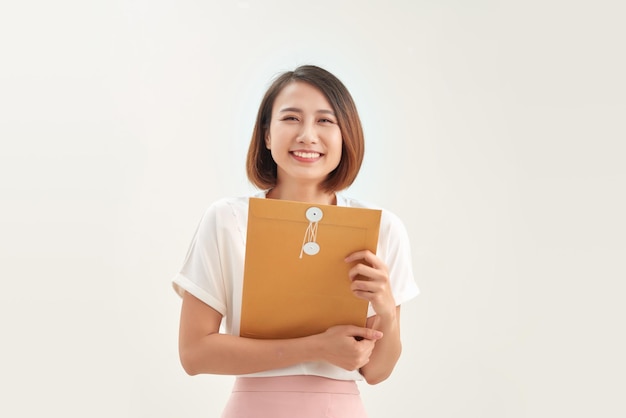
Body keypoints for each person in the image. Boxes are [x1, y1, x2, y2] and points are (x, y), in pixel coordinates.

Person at [172, 64, 419, 417]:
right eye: (290, 118)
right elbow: (194, 354)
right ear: (267, 135)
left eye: (325, 120)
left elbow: (377, 372)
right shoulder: (227, 220)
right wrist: (317, 347)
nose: (307, 135)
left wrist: (387, 314)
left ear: (346, 135)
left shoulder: (383, 228)